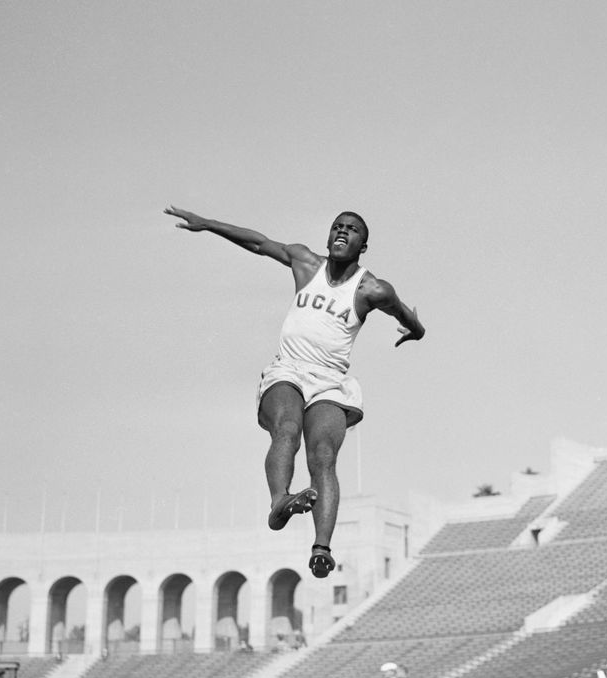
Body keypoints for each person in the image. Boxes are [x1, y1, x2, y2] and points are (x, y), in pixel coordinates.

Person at [164, 206, 426, 578]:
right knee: (286, 428)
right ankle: (279, 502)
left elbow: (403, 313)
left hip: (331, 381)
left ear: (362, 246)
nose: (342, 232)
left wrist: (416, 330)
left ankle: (321, 549)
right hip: (287, 369)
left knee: (323, 456)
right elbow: (258, 243)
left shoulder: (372, 289)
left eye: (351, 230)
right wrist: (209, 225)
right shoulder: (305, 262)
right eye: (337, 226)